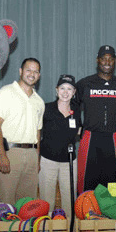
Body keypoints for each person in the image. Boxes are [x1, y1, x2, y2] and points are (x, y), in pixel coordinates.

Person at [0, 58, 45, 205]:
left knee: (27, 204)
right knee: (5, 204)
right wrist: (2, 154)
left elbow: (38, 133)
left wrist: (37, 158)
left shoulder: (39, 101)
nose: (32, 74)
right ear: (21, 71)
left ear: (39, 75)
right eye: (28, 70)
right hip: (10, 153)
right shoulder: (5, 92)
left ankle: (24, 229)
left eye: (36, 71)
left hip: (32, 155)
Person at [76, 45, 116, 193]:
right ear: (97, 60)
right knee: (86, 182)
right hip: (91, 137)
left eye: (110, 59)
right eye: (103, 59)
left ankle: (112, 215)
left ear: (115, 61)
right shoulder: (84, 84)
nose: (107, 62)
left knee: (114, 185)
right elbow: (72, 106)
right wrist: (77, 127)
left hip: (114, 138)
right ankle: (85, 213)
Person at [39, 75, 82, 219]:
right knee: (46, 201)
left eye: (69, 89)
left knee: (70, 201)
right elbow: (38, 132)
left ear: (74, 91)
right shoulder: (47, 108)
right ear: (56, 90)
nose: (65, 92)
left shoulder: (76, 111)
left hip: (69, 163)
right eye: (62, 88)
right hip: (47, 161)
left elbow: (78, 131)